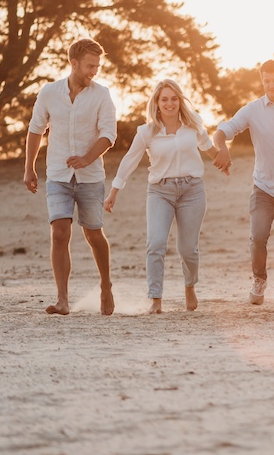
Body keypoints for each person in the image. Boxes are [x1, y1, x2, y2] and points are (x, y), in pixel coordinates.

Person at [103, 79, 219, 314]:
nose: (170, 103)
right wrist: (114, 190)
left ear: (180, 101)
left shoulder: (193, 124)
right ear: (156, 103)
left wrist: (221, 159)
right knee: (155, 244)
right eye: (164, 99)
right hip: (160, 192)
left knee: (188, 249)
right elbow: (130, 160)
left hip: (192, 190)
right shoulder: (146, 132)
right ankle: (156, 299)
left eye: (174, 98)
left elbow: (207, 144)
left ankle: (189, 286)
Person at [24, 38, 117, 316]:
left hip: (90, 177)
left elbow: (109, 134)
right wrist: (29, 167)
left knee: (93, 234)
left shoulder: (102, 94)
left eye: (97, 66)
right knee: (59, 233)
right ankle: (62, 299)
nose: (94, 71)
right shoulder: (49, 93)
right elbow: (36, 130)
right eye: (90, 66)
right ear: (73, 63)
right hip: (58, 176)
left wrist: (88, 158)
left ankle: (105, 285)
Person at [213, 59, 274, 307]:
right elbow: (225, 129)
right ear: (262, 81)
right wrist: (221, 147)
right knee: (258, 237)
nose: (271, 85)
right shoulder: (252, 110)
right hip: (263, 187)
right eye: (266, 80)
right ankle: (259, 280)